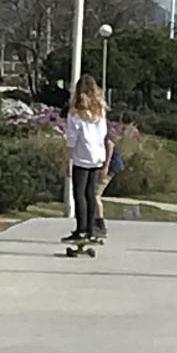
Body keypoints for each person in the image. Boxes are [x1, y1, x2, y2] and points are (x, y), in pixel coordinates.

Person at [63, 75, 107, 244]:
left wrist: (66, 160)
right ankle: (90, 228)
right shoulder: (100, 110)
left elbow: (72, 139)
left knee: (79, 193)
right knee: (90, 193)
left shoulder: (76, 112)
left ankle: (80, 229)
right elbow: (103, 134)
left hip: (82, 156)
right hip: (96, 156)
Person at [94, 135, 124, 237]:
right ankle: (94, 222)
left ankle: (100, 224)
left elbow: (110, 145)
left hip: (110, 166)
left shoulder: (99, 128)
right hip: (107, 165)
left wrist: (105, 167)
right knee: (92, 194)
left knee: (95, 194)